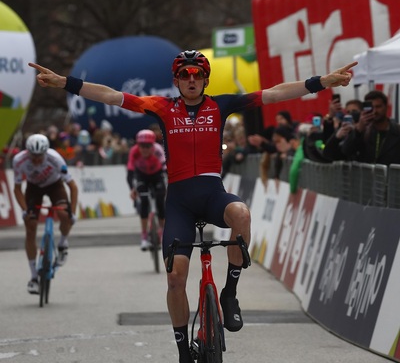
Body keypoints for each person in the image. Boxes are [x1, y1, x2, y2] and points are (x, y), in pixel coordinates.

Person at [29, 53, 356, 363]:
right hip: (180, 205)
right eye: (184, 75)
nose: (191, 79)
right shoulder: (161, 107)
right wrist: (66, 83)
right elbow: (113, 96)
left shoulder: (222, 104)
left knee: (241, 214)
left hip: (214, 195)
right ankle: (184, 349)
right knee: (175, 278)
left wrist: (322, 82)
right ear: (176, 80)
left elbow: (273, 94)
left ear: (205, 78)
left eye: (196, 74)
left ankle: (229, 293)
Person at [12, 134, 78, 295]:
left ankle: (63, 244)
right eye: (33, 156)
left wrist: (73, 213)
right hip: (34, 188)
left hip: (55, 185)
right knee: (31, 226)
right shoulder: (19, 160)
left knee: (64, 215)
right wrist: (24, 209)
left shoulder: (55, 158)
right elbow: (17, 189)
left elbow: (73, 187)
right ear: (27, 153)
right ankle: (34, 277)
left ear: (45, 152)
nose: (36, 160)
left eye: (39, 156)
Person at [126, 129, 167, 251]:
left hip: (157, 175)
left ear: (153, 145)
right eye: (142, 146)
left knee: (160, 202)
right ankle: (144, 236)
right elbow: (130, 173)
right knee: (143, 201)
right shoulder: (133, 152)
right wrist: (132, 189)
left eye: (148, 146)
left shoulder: (158, 150)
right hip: (142, 176)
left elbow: (166, 170)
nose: (144, 149)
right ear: (137, 145)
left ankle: (163, 232)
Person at [340, 90, 400, 165]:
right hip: (367, 175)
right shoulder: (363, 131)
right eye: (371, 108)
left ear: (386, 107)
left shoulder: (397, 131)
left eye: (378, 107)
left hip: (392, 176)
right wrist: (358, 129)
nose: (374, 111)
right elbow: (346, 151)